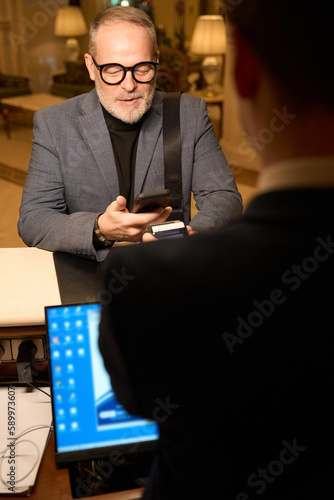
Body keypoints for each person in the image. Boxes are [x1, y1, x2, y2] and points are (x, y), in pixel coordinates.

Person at [99, 0, 334, 498]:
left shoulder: (151, 286)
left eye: (141, 67)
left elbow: (133, 404)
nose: (129, 81)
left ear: (244, 68)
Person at [17, 6, 242, 262]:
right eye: (113, 69)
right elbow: (33, 219)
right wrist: (100, 229)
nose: (129, 85)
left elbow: (224, 196)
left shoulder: (190, 113)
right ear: (91, 67)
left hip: (171, 267)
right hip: (87, 273)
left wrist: (194, 236)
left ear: (156, 61)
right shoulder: (53, 123)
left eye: (142, 68)